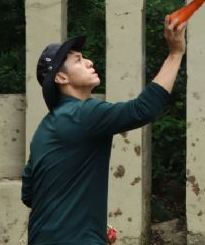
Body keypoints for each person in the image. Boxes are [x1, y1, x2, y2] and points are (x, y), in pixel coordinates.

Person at [21, 16, 186, 245]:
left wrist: (88, 221)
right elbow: (143, 109)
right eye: (78, 60)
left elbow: (29, 194)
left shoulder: (45, 129)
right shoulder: (83, 114)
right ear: (61, 77)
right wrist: (175, 53)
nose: (88, 62)